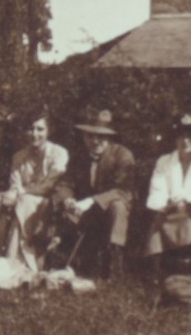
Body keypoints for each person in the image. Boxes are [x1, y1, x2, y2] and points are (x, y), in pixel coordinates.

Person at [53, 109, 136, 279]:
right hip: (86, 211)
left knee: (117, 206)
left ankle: (115, 258)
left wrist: (91, 201)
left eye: (101, 137)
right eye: (89, 136)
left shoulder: (122, 155)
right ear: (84, 137)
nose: (95, 141)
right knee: (58, 206)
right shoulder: (79, 157)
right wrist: (68, 199)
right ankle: (62, 255)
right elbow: (65, 183)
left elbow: (123, 190)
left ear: (109, 138)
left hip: (111, 209)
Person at [145, 114, 191, 280]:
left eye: (190, 136)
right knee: (159, 218)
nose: (185, 141)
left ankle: (184, 269)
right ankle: (157, 272)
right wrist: (168, 203)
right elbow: (156, 191)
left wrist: (182, 200)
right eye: (181, 136)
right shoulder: (164, 161)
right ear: (175, 139)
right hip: (168, 209)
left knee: (187, 215)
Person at [0, 108, 69, 272]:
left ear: (48, 131)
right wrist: (9, 194)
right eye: (30, 129)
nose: (34, 134)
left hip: (50, 202)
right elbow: (15, 184)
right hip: (24, 199)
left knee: (24, 201)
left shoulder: (59, 153)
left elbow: (50, 185)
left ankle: (18, 261)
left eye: (40, 129)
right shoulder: (19, 156)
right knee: (4, 201)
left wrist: (20, 193)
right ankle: (4, 256)